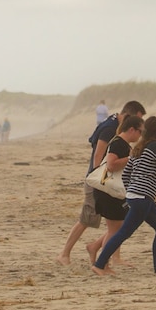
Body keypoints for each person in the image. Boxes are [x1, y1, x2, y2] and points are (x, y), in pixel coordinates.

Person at [92, 116, 156, 275]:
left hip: (137, 197)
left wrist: (132, 190)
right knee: (124, 233)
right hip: (142, 198)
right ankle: (99, 264)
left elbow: (126, 175)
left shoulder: (138, 148)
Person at [57, 100, 146, 265]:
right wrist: (99, 182)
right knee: (87, 219)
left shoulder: (115, 127)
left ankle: (109, 254)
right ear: (128, 117)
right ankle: (64, 253)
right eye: (137, 122)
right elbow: (98, 155)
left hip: (109, 182)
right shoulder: (109, 129)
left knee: (116, 221)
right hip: (99, 182)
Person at [88, 115, 144, 269]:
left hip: (112, 192)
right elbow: (111, 165)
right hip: (109, 193)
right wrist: (131, 158)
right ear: (131, 129)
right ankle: (103, 265)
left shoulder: (122, 143)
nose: (140, 136)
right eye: (140, 132)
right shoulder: (118, 143)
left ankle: (95, 249)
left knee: (116, 228)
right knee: (115, 231)